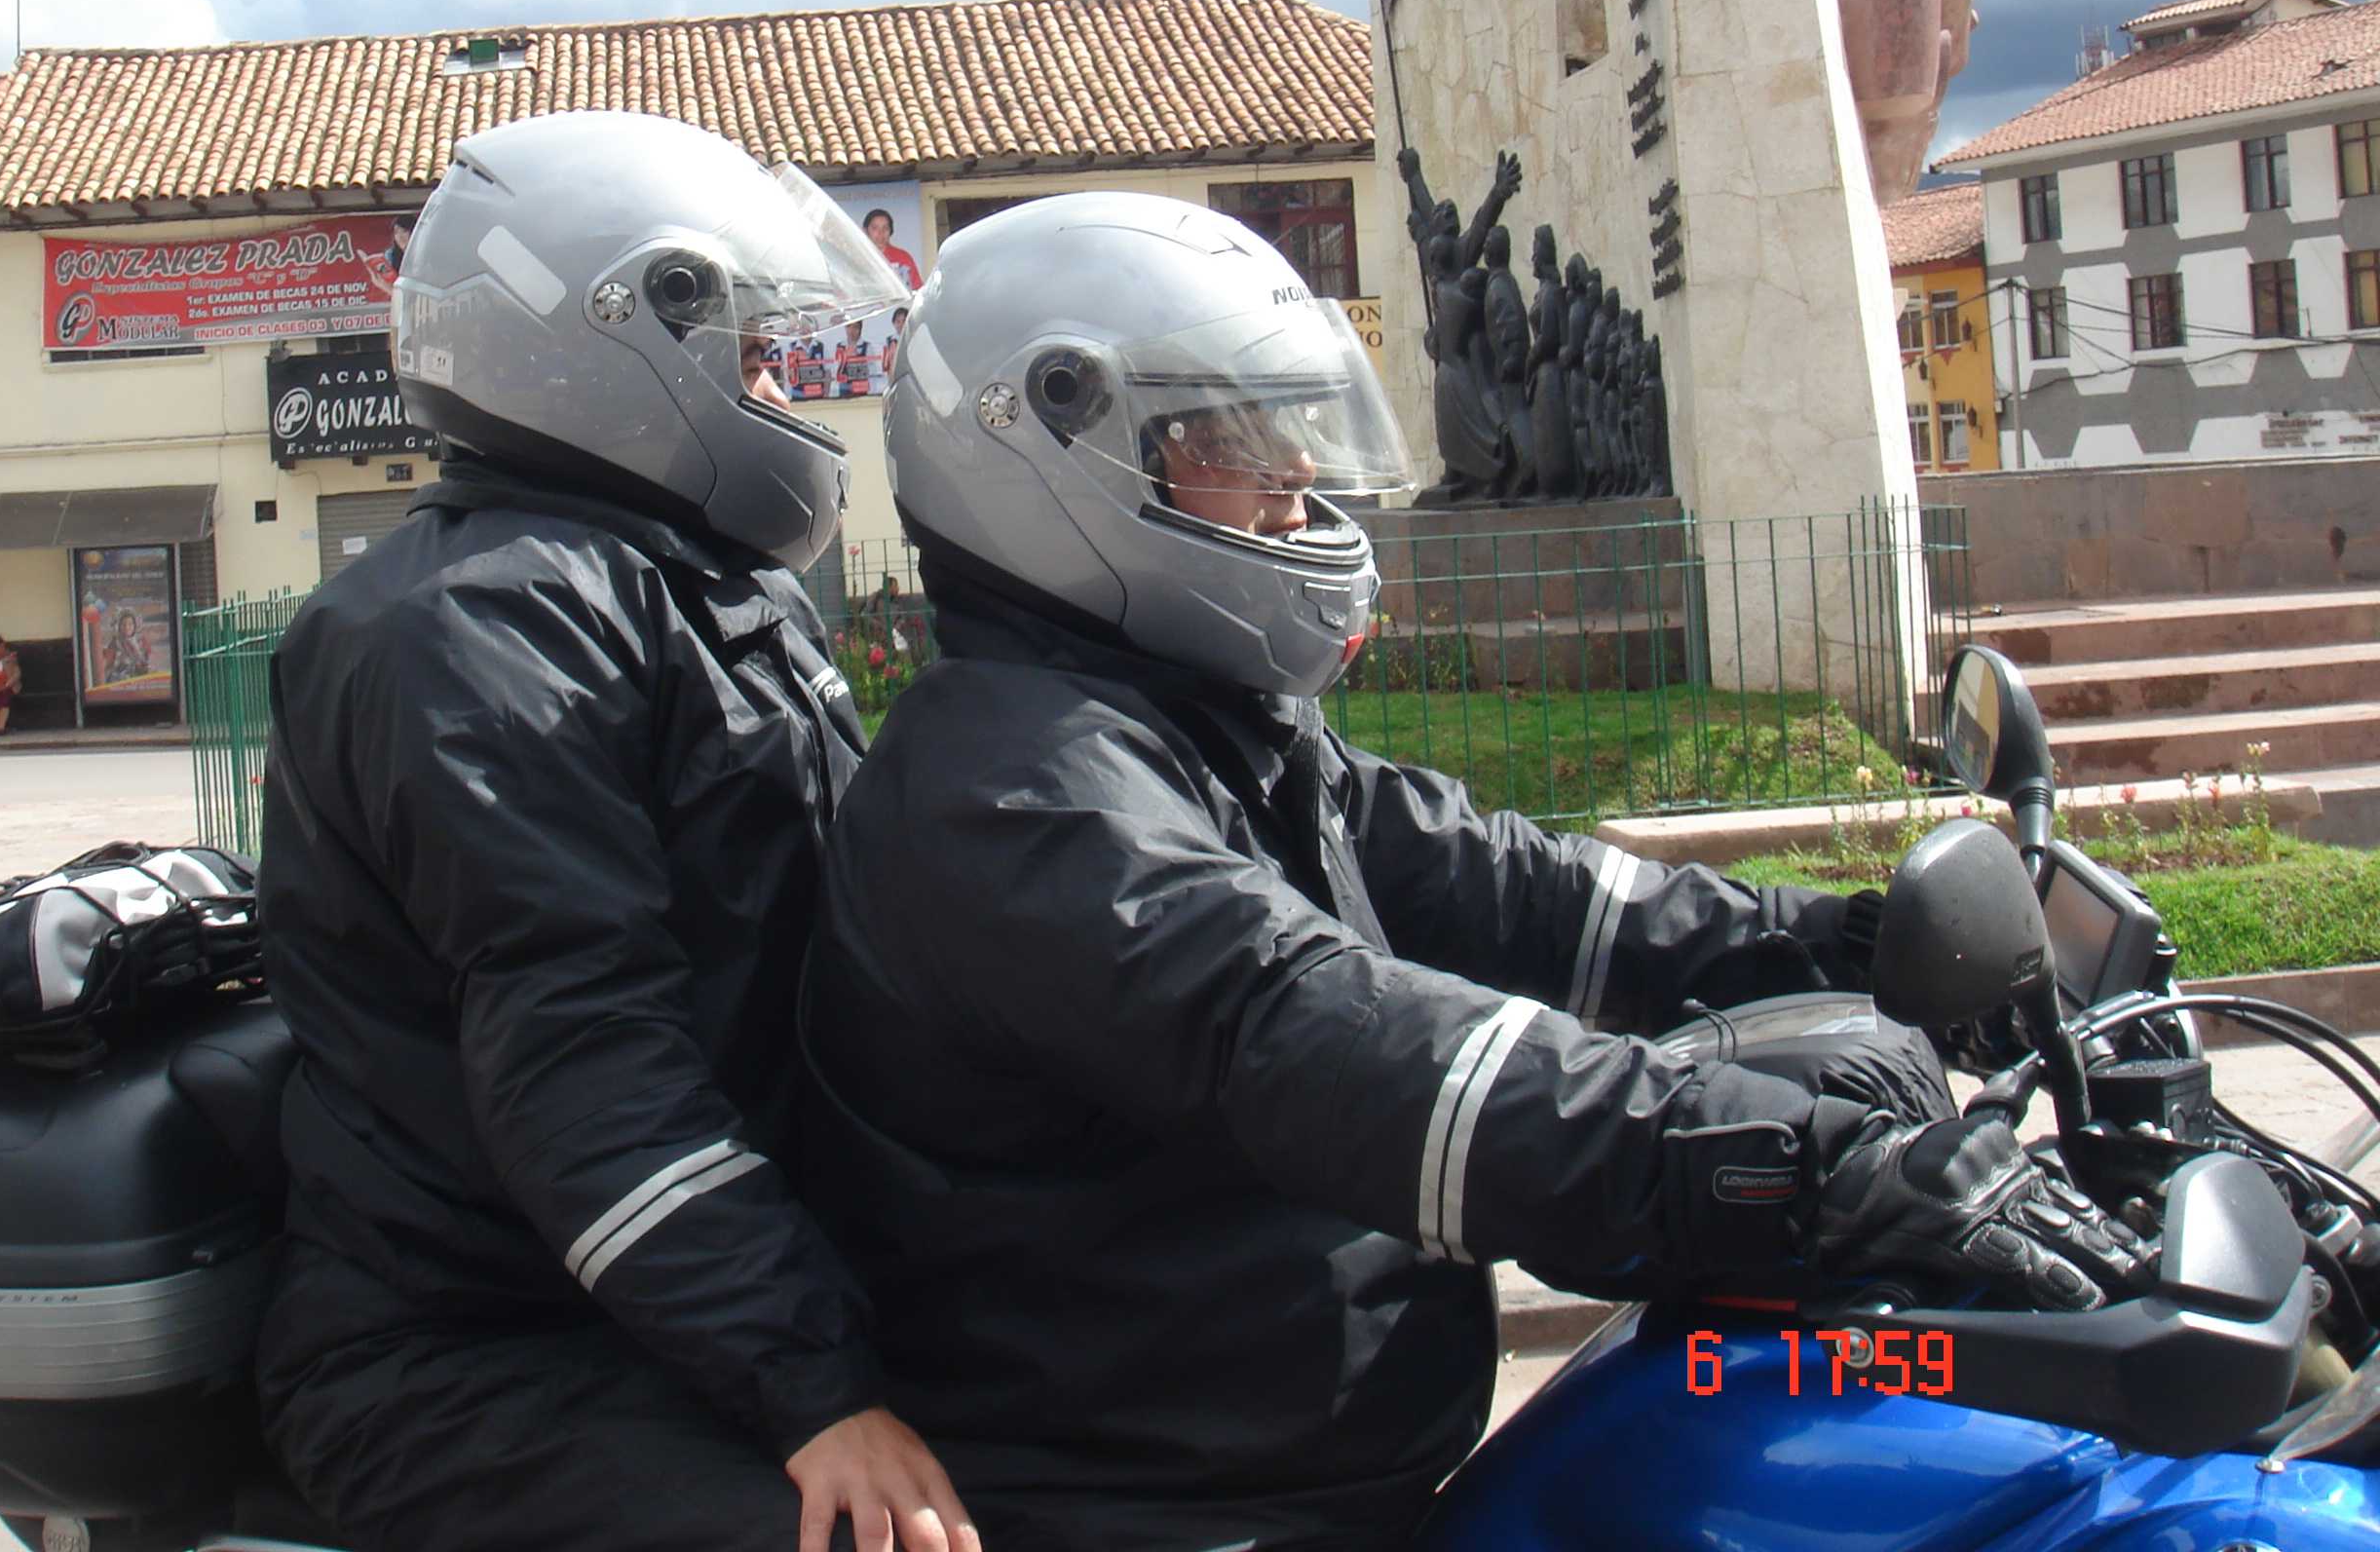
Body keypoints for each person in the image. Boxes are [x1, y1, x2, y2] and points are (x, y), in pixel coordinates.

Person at [801, 193, 2147, 1551]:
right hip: (1157, 1511)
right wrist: (1811, 1170)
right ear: (1050, 444)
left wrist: (1841, 947)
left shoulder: (1180, 725)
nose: (1292, 493)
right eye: (1233, 444)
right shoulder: (1022, 794)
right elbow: (1339, 1045)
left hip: (1298, 1476)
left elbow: (1515, 888)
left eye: (1289, 443)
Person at [253, 112, 978, 1552]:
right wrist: (813, 1388)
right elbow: (583, 1063)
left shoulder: (681, 584)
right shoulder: (469, 631)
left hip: (663, 1296)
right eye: (755, 353)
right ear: (622, 334)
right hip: (468, 1348)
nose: (783, 387)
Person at [860, 207, 921, 292]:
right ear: (865, 231)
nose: (881, 233)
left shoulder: (903, 257)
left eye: (885, 228)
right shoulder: (857, 257)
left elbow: (917, 290)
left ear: (891, 231)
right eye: (875, 228)